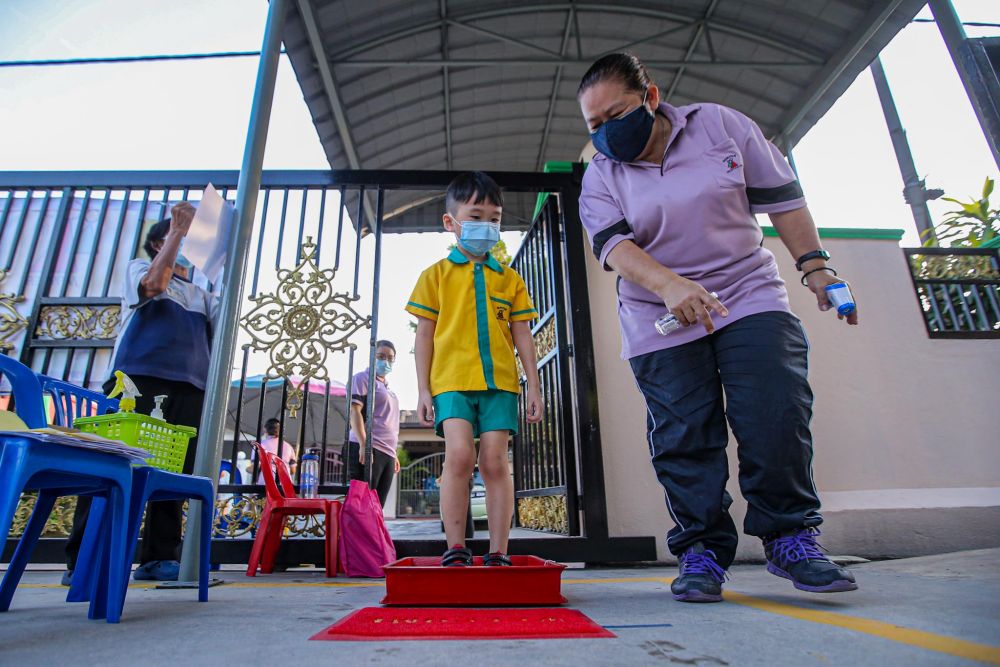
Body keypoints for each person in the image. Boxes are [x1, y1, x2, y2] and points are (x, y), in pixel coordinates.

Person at [575, 53, 858, 602]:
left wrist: (817, 268)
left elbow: (783, 199)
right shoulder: (601, 175)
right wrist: (670, 285)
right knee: (685, 433)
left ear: (651, 97)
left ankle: (790, 535)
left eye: (618, 114)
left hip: (747, 293)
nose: (607, 132)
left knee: (777, 406)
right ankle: (702, 550)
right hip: (659, 313)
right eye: (594, 125)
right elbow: (615, 247)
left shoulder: (720, 126)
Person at [63, 201, 217, 585]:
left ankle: (160, 557)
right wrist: (178, 230)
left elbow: (225, 327)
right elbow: (155, 285)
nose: (184, 245)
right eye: (176, 237)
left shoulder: (201, 294)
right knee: (115, 461)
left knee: (174, 469)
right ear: (157, 243)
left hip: (190, 386)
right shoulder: (140, 269)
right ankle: (83, 557)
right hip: (138, 379)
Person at [406, 171, 543, 567]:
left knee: (495, 462)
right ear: (451, 223)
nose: (487, 226)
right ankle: (455, 548)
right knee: (460, 457)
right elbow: (423, 338)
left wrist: (533, 386)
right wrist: (423, 389)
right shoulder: (434, 277)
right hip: (450, 383)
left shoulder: (511, 280)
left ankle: (499, 552)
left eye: (495, 218)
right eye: (476, 216)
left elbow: (524, 339)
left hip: (501, 383)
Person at [346, 340, 401, 507]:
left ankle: (372, 534)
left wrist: (394, 453)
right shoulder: (362, 379)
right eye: (381, 356)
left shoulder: (387, 388)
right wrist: (364, 444)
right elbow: (355, 411)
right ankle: (355, 534)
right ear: (372, 357)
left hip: (388, 452)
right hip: (370, 448)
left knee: (377, 506)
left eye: (390, 358)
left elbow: (388, 422)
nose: (386, 361)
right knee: (363, 504)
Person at [256, 417, 297, 484]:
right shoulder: (289, 446)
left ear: (265, 429)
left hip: (265, 483)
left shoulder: (260, 445)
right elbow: (293, 470)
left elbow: (255, 467)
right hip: (285, 483)